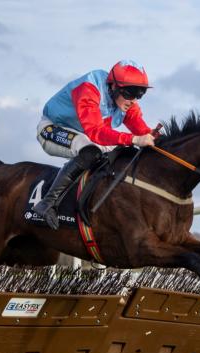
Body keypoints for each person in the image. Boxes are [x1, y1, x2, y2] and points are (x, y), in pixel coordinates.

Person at [32, 60, 156, 229]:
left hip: (84, 134)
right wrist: (134, 139)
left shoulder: (126, 102)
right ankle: (47, 203)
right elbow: (96, 133)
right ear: (113, 87)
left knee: (122, 153)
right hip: (52, 128)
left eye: (139, 94)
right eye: (129, 93)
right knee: (90, 152)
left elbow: (142, 129)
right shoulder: (89, 88)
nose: (133, 100)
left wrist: (159, 140)